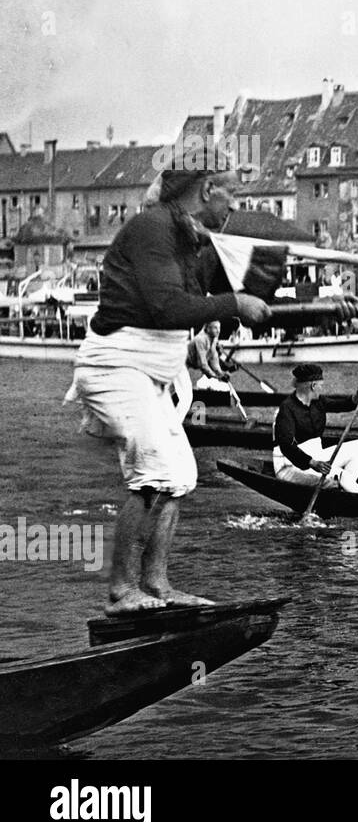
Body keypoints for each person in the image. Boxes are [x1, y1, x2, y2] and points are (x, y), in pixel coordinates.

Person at [66, 166, 275, 615]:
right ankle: (123, 592)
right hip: (116, 367)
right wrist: (235, 303)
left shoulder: (187, 238)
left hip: (153, 367)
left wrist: (200, 344)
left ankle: (157, 585)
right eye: (232, 194)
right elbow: (164, 308)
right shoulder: (152, 228)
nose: (236, 205)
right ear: (207, 190)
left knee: (179, 475)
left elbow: (175, 315)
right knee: (153, 472)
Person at [273, 364, 358, 495]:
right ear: (313, 386)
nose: (322, 388)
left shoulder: (317, 402)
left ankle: (344, 490)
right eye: (321, 385)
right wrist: (312, 462)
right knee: (341, 475)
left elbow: (341, 405)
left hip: (316, 458)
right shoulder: (286, 409)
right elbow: (287, 446)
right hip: (291, 466)